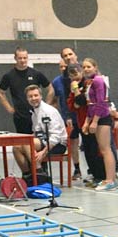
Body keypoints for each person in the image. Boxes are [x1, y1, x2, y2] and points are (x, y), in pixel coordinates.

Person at [82, 58, 118, 191]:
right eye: (84, 67)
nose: (86, 69)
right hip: (95, 118)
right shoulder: (90, 82)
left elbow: (101, 102)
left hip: (103, 118)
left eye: (89, 67)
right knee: (102, 149)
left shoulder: (98, 81)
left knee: (105, 149)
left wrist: (95, 121)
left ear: (95, 67)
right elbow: (90, 105)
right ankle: (109, 178)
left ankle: (111, 180)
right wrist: (87, 122)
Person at [13, 85, 67, 176]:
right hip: (43, 141)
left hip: (57, 145)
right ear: (27, 99)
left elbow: (56, 136)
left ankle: (39, 174)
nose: (33, 98)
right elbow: (36, 133)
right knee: (16, 147)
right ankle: (28, 175)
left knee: (27, 143)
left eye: (35, 95)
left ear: (41, 96)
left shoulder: (49, 111)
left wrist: (43, 152)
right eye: (30, 96)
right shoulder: (34, 112)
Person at [0, 47, 51, 135]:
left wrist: (46, 106)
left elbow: (50, 89)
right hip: (20, 116)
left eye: (25, 58)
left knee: (40, 139)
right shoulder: (9, 76)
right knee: (24, 141)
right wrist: (9, 108)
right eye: (20, 58)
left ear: (27, 58)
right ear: (15, 58)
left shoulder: (36, 74)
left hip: (37, 113)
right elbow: (0, 92)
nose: (22, 60)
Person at [50, 47, 82, 180]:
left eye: (70, 54)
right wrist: (66, 116)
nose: (68, 57)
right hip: (70, 117)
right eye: (65, 56)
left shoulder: (84, 74)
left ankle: (107, 170)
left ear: (75, 55)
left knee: (93, 143)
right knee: (73, 143)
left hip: (86, 115)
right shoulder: (58, 81)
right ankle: (77, 169)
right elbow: (57, 100)